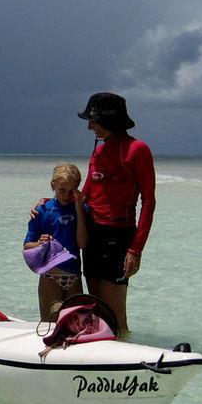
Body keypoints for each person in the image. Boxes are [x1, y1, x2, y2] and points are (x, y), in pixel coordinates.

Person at [76, 92, 155, 334]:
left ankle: (126, 351)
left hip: (119, 236)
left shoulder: (137, 150)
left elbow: (149, 202)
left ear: (110, 120)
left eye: (94, 120)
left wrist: (136, 249)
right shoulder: (98, 151)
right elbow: (85, 194)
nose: (89, 126)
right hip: (93, 235)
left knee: (115, 314)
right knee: (97, 309)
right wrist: (49, 203)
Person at [24, 163, 89, 320]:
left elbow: (82, 244)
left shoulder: (81, 209)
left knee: (75, 325)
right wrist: (40, 243)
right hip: (50, 277)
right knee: (49, 324)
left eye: (71, 191)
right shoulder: (43, 210)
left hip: (74, 277)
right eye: (62, 190)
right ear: (53, 185)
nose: (66, 195)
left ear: (77, 188)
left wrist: (80, 210)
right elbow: (27, 246)